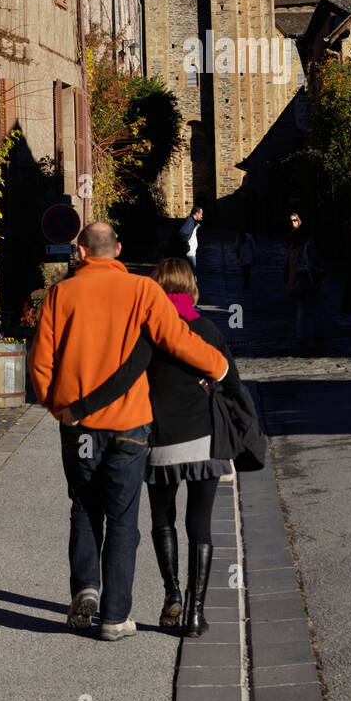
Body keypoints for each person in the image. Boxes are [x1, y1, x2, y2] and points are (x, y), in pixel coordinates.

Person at [27, 221, 229, 643]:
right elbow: (176, 339)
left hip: (78, 425)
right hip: (130, 423)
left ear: (81, 252)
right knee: (122, 520)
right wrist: (219, 366)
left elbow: (40, 362)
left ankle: (86, 587)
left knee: (83, 507)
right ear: (117, 250)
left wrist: (56, 405)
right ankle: (115, 617)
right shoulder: (142, 291)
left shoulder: (60, 295)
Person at [65, 257, 245, 638]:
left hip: (160, 442)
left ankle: (172, 596)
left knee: (163, 521)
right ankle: (196, 614)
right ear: (192, 287)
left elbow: (125, 377)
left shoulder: (147, 335)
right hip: (204, 443)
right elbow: (232, 382)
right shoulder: (209, 329)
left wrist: (83, 409)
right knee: (201, 527)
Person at [283, 211, 323, 351]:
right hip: (307, 279)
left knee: (301, 309)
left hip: (295, 280)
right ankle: (313, 334)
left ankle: (301, 336)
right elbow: (314, 260)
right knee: (312, 308)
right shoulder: (308, 244)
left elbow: (287, 265)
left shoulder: (293, 245)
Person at [179, 203, 203, 275]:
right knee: (193, 275)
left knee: (191, 274)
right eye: (201, 214)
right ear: (196, 213)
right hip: (190, 254)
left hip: (191, 253)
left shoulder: (192, 221)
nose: (202, 216)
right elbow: (183, 233)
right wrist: (187, 247)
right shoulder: (190, 222)